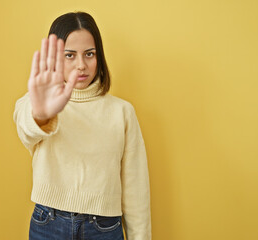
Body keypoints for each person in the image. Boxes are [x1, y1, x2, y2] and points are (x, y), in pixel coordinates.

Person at [13, 11, 152, 240]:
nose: (81, 65)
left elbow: (136, 190)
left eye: (89, 54)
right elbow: (26, 129)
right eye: (70, 55)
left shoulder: (122, 112)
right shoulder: (37, 102)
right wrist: (41, 115)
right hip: (48, 223)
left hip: (104, 229)